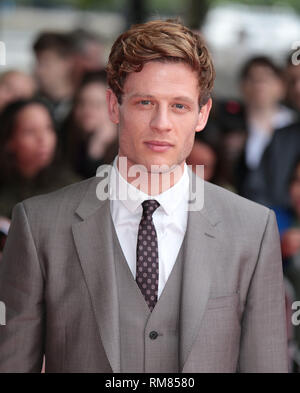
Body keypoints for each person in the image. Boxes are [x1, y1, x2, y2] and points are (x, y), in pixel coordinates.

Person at [0, 19, 288, 373]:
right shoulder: (38, 226)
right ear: (113, 105)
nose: (161, 123)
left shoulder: (253, 229)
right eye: (145, 102)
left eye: (180, 106)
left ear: (203, 114)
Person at [0, 98, 80, 218]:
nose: (43, 139)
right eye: (30, 131)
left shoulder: (72, 190)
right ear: (9, 141)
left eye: (48, 128)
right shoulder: (5, 188)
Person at [62, 70, 118, 179]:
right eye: (82, 103)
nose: (87, 111)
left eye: (96, 105)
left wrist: (96, 149)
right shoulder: (65, 137)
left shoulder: (126, 150)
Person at [32, 32, 75, 126]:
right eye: (37, 63)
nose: (38, 70)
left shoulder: (82, 106)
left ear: (67, 63)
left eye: (46, 63)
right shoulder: (30, 104)